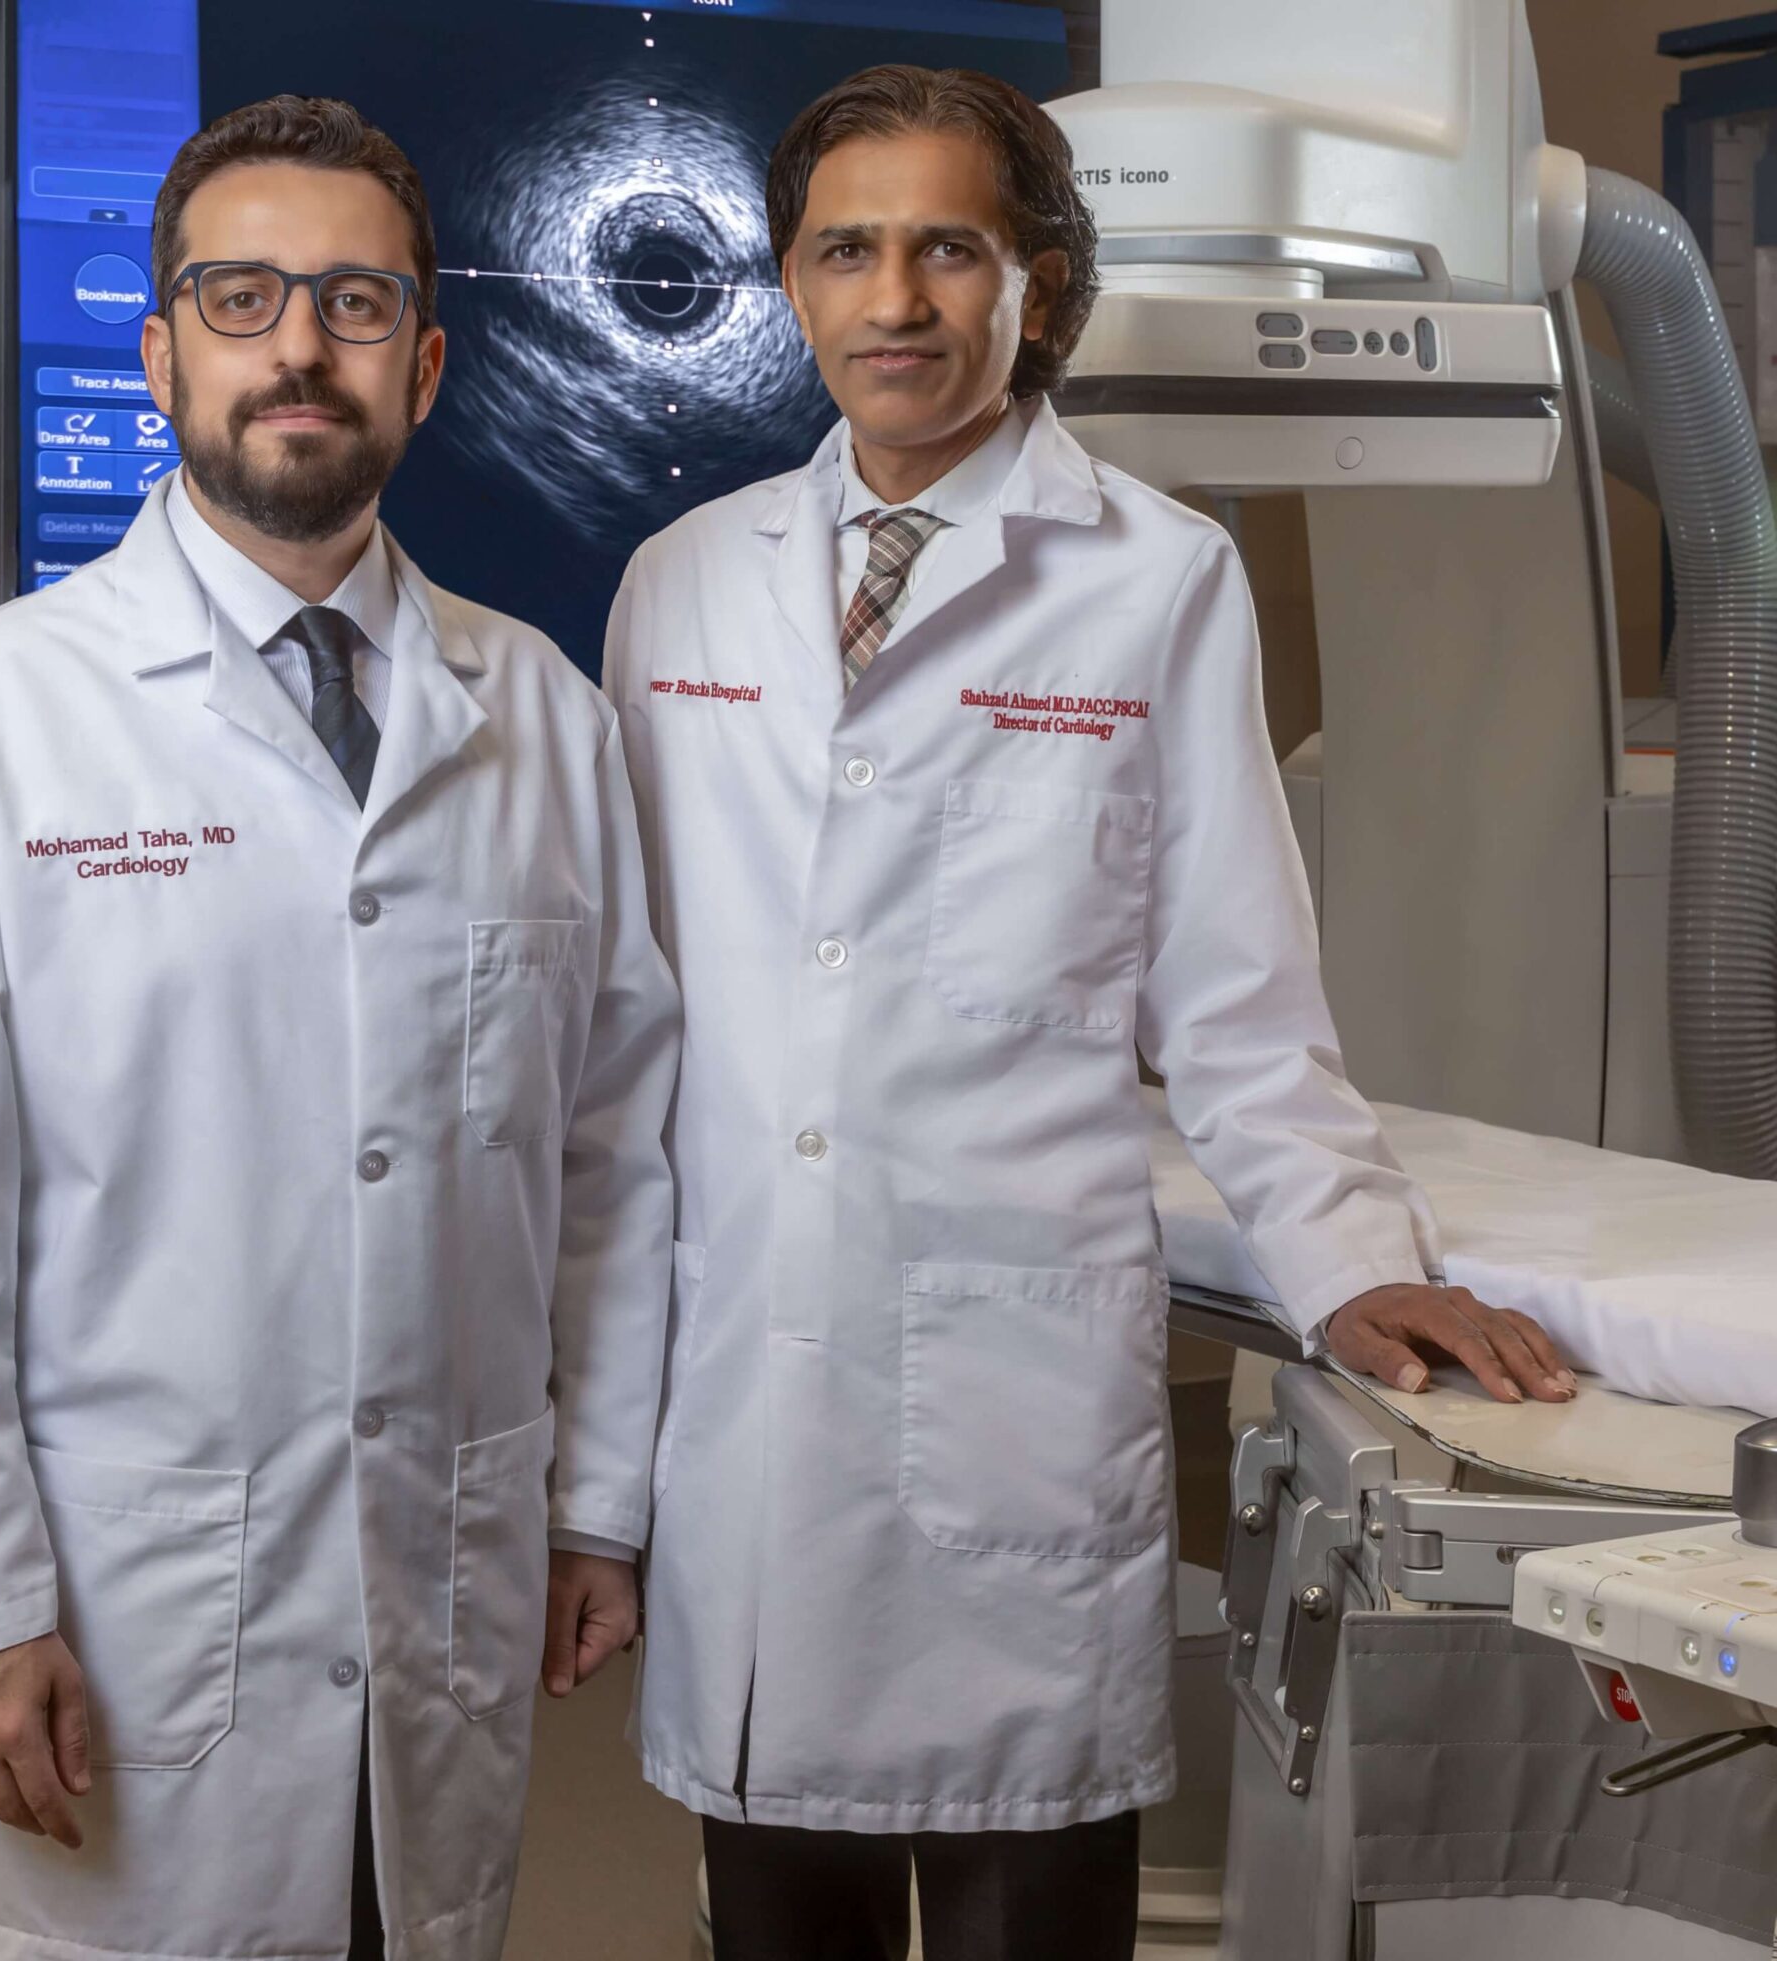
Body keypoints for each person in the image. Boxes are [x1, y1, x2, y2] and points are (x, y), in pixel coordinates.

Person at [602, 65, 1575, 1961]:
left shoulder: (1158, 579)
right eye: (847, 250)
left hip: (1003, 1388)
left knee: (1022, 1898)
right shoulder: (679, 586)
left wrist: (1350, 1257)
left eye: (948, 248)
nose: (895, 300)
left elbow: (1237, 995)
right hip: (747, 1393)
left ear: (1038, 280)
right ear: (794, 287)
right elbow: (626, 1026)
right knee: (771, 1910)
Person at [0, 95, 677, 1961]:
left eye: (356, 301)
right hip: (131, 1622)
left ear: (427, 364)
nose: (299, 344)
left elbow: (612, 1155)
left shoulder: (535, 712)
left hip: (436, 1601)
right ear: (160, 351)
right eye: (241, 296)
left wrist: (596, 1503)